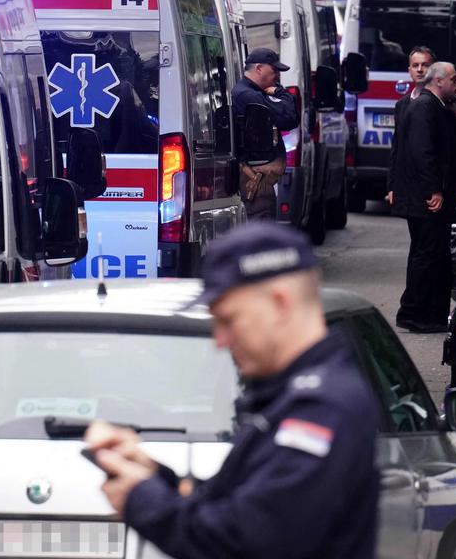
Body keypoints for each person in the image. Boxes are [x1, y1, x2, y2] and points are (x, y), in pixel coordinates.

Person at [84, 222, 379, 559]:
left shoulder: (323, 409)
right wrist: (152, 474)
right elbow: (237, 503)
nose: (221, 341)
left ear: (280, 304)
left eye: (229, 320)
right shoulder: (292, 396)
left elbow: (247, 542)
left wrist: (142, 498)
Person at [389, 62, 456, 332]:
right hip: (425, 199)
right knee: (426, 255)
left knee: (435, 255)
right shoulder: (425, 107)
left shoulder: (440, 107)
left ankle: (432, 314)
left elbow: (453, 148)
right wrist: (433, 190)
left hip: (435, 196)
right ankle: (414, 314)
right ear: (439, 81)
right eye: (453, 79)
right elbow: (423, 154)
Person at [232, 48, 300, 220]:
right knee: (260, 233)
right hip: (254, 179)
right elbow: (289, 118)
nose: (277, 76)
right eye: (274, 70)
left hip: (259, 178)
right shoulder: (248, 95)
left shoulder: (253, 93)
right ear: (259, 68)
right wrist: (280, 92)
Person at [386, 46, 434, 206]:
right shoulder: (402, 104)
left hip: (432, 189)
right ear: (409, 70)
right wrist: (392, 185)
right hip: (408, 186)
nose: (420, 70)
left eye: (425, 65)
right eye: (415, 65)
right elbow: (397, 146)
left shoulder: (441, 103)